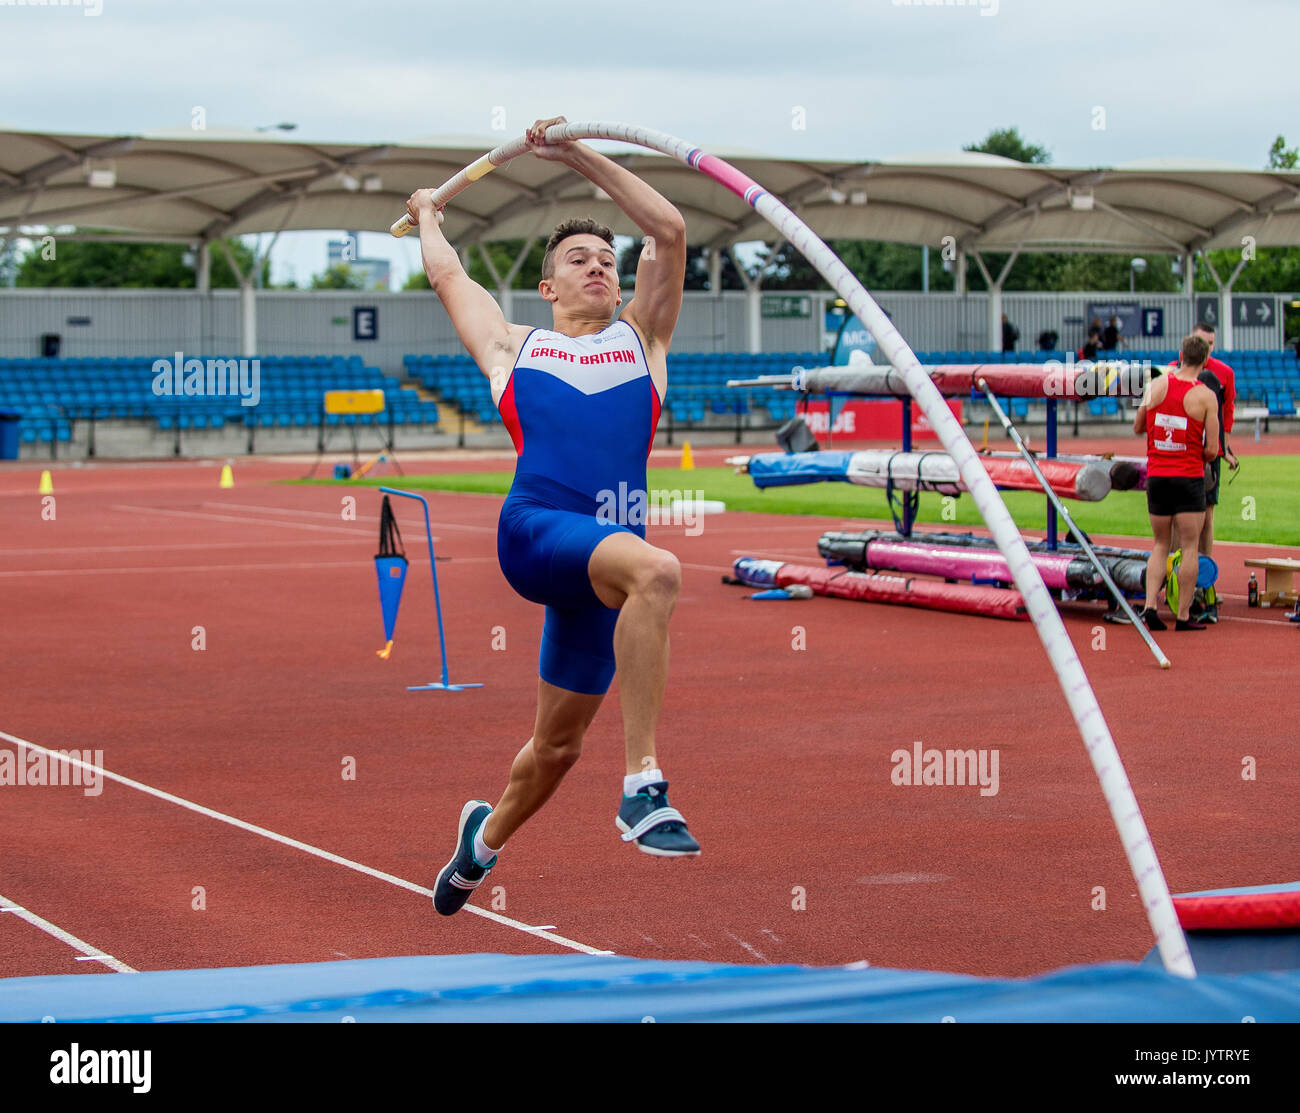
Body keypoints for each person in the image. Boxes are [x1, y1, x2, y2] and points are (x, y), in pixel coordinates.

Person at [405, 116, 698, 919]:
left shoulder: (645, 341)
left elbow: (668, 230)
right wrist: (429, 214)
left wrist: (576, 154)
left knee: (557, 747)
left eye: (607, 259)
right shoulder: (513, 346)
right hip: (537, 532)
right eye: (580, 259)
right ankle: (643, 786)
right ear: (548, 285)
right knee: (661, 569)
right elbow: (447, 277)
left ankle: (482, 840)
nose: (599, 267)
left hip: (598, 570)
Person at [1134, 334, 1220, 631]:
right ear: (1206, 360)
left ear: (1179, 355)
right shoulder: (1206, 396)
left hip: (1158, 475)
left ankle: (1149, 608)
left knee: (1159, 545)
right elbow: (1212, 449)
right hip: (1188, 477)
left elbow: (1138, 426)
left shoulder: (1156, 385)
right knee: (1190, 547)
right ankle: (1183, 616)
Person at [1166, 321, 1238, 622]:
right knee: (1173, 521)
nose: (1206, 349)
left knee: (1206, 518)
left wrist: (1226, 449)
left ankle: (1204, 582)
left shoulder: (1224, 373)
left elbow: (1227, 413)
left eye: (1211, 343)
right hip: (1180, 455)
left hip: (1209, 457)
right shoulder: (1170, 370)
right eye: (1202, 342)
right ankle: (1171, 579)